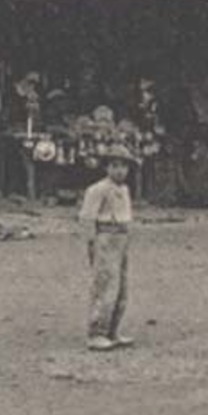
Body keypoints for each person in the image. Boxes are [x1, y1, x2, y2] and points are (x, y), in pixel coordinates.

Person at [79, 143, 138, 351]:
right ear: (107, 167)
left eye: (124, 166)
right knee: (105, 285)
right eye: (114, 165)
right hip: (105, 238)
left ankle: (113, 330)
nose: (119, 170)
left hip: (121, 239)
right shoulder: (97, 190)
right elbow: (87, 219)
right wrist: (92, 244)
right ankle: (97, 332)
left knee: (121, 287)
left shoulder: (125, 190)